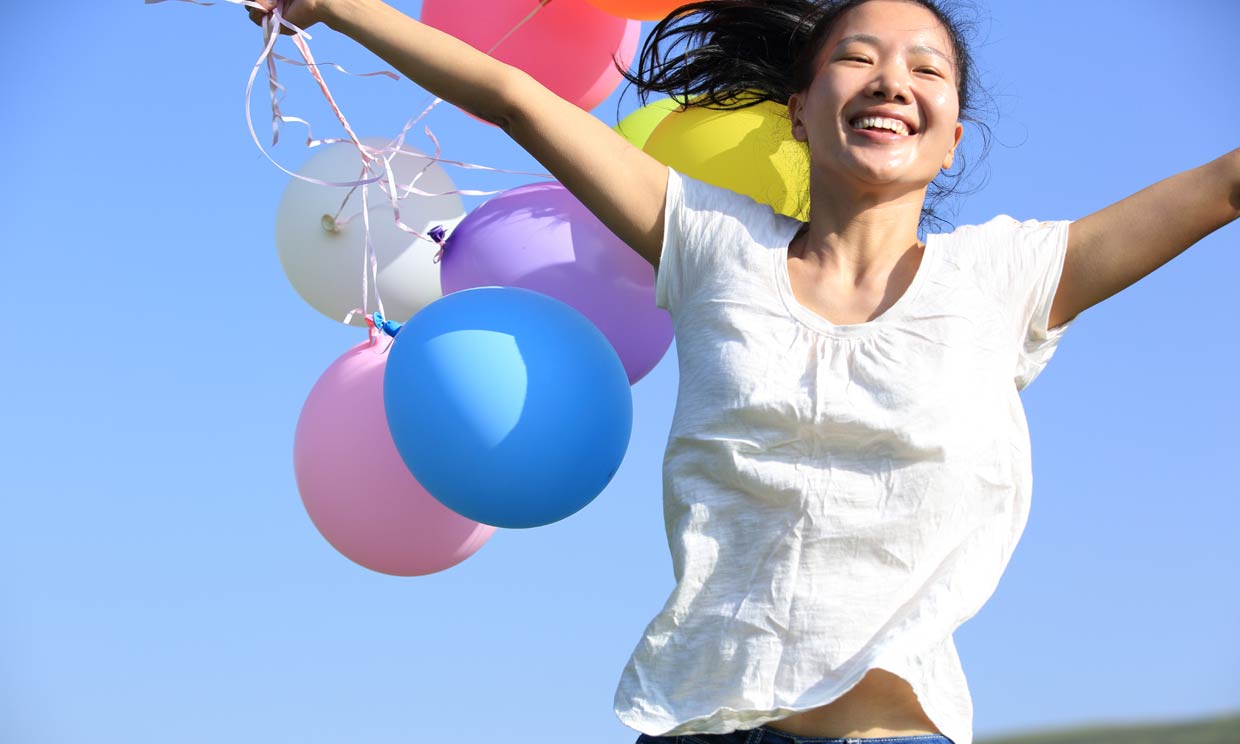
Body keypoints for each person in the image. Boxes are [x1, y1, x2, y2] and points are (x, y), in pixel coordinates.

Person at [248, 1, 1240, 743]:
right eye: (855, 57)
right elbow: (515, 98)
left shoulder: (1006, 275)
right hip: (695, 725)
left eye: (925, 69)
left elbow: (1225, 183)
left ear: (951, 136)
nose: (891, 79)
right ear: (800, 110)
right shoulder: (715, 243)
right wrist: (332, 4)